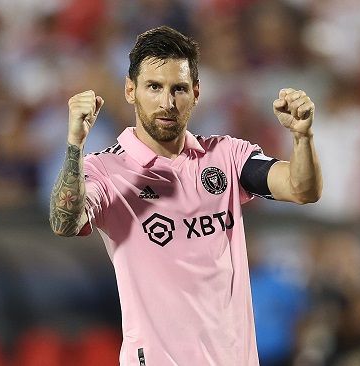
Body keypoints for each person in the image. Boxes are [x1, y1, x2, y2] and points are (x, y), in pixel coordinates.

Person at [49, 25, 322, 365]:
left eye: (178, 88)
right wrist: (75, 144)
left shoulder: (225, 156)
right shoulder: (106, 170)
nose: (167, 102)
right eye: (154, 87)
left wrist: (302, 137)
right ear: (131, 90)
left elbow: (301, 189)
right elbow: (65, 220)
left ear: (195, 92)